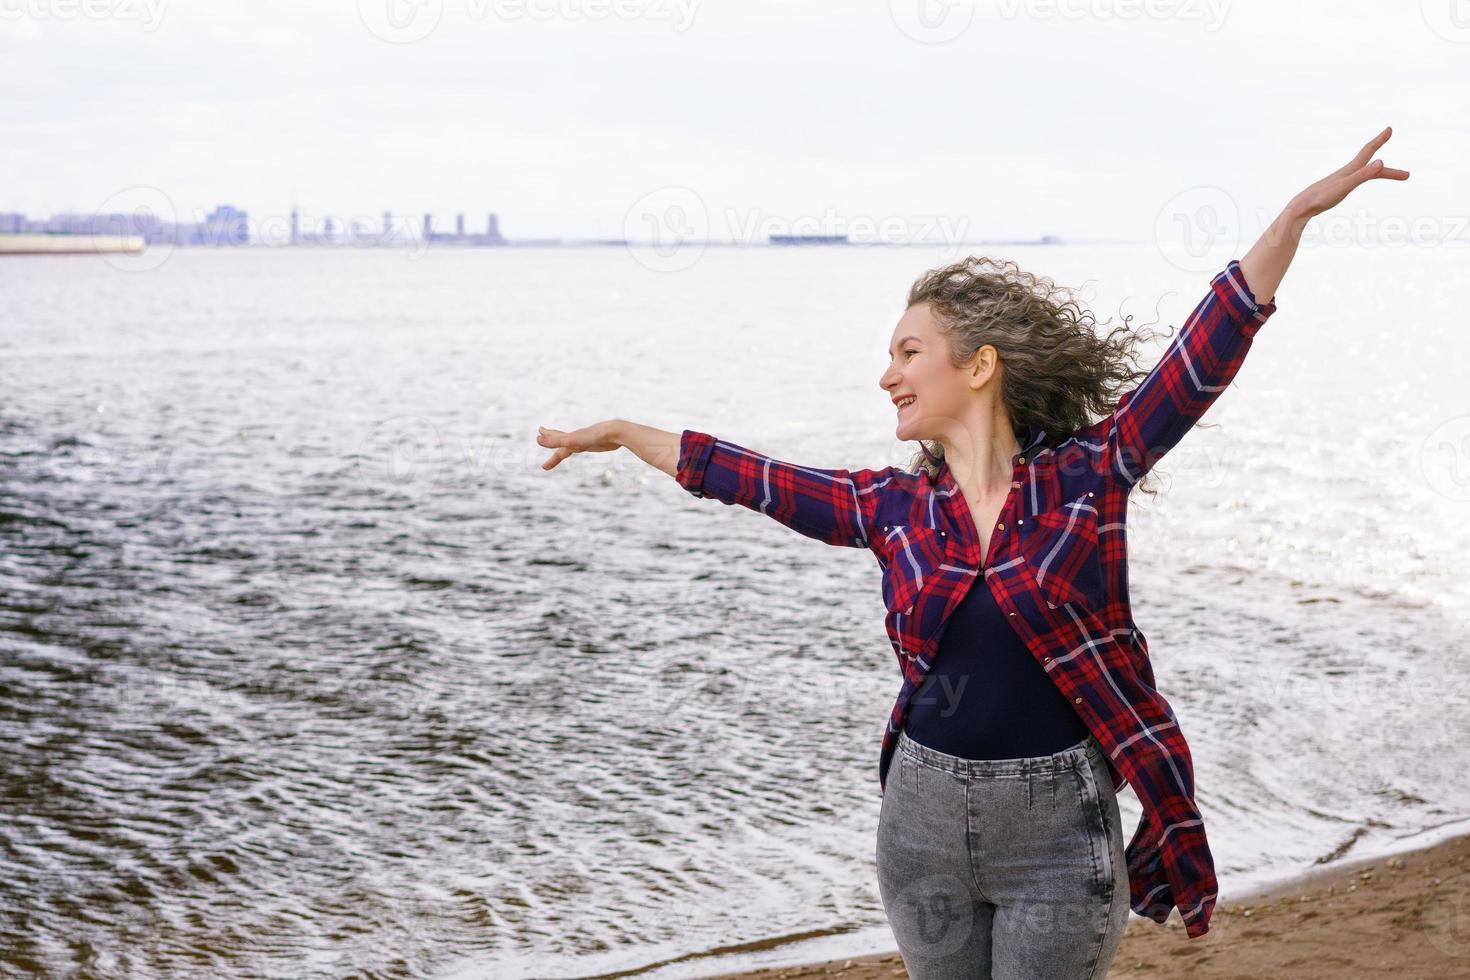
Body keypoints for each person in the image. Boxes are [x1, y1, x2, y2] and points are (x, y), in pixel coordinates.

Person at [536, 128, 1407, 979]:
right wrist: (621, 431)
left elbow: (1201, 355)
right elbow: (749, 477)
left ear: (980, 365)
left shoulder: (1091, 474)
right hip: (918, 821)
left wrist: (1294, 216)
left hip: (1059, 832)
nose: (887, 375)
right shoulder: (893, 508)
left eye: (908, 352)